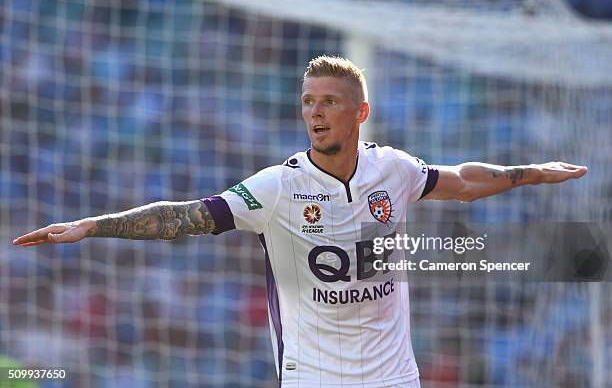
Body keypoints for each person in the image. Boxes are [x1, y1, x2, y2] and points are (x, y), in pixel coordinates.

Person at [13, 56, 587, 387]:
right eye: (309, 100)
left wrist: (532, 172)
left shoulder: (393, 170)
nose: (315, 111)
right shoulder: (277, 188)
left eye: (329, 101)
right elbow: (186, 216)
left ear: (359, 112)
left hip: (393, 377)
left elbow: (463, 182)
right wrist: (95, 224)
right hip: (313, 376)